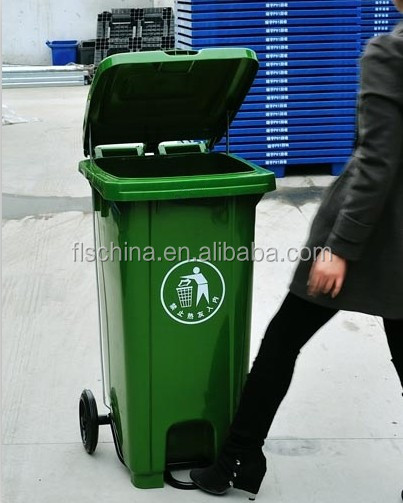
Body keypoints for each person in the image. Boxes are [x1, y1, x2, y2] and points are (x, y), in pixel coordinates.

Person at [190, 4, 403, 500]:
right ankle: (235, 461)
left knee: (282, 340)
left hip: (366, 237)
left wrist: (339, 248)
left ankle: (235, 461)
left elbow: (376, 159)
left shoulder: (391, 53)